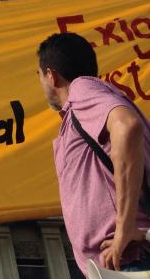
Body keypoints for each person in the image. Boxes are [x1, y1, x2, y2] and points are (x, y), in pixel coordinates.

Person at [36, 32, 150, 273]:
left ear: (51, 75)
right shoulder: (85, 104)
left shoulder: (82, 90)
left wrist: (124, 227)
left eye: (39, 75)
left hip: (127, 261)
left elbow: (126, 126)